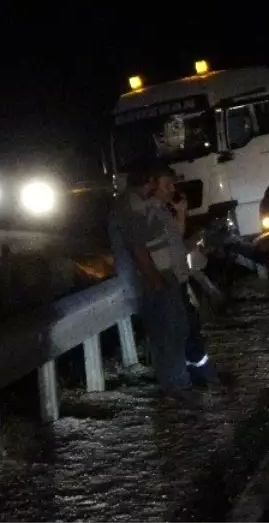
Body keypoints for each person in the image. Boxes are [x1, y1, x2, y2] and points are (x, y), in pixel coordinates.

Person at [108, 161, 196, 403]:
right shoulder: (132, 206)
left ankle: (178, 385)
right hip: (152, 280)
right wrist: (156, 281)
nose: (170, 189)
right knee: (169, 333)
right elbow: (138, 249)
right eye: (163, 183)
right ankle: (177, 387)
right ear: (151, 182)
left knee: (175, 331)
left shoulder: (143, 205)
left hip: (163, 277)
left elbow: (164, 239)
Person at [148, 176, 222, 388]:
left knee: (189, 326)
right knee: (186, 328)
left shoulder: (162, 210)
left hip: (177, 278)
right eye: (167, 184)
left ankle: (196, 376)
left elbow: (176, 237)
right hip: (166, 280)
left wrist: (181, 212)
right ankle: (200, 377)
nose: (172, 188)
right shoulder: (148, 214)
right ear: (154, 186)